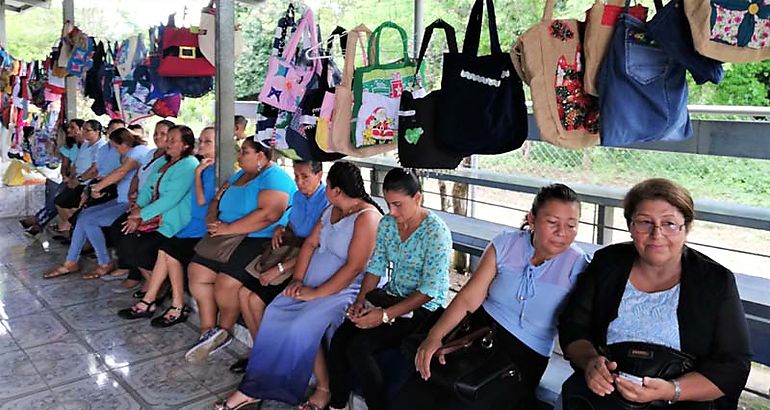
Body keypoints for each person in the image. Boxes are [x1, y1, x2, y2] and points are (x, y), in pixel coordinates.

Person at [557, 178, 752, 410]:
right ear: (630, 227)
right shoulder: (608, 263)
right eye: (644, 223)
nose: (656, 234)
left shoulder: (715, 281)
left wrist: (672, 390)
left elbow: (733, 366)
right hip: (607, 399)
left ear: (686, 228)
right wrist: (590, 362)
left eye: (669, 223)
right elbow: (574, 327)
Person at [395, 183, 590, 410]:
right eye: (552, 222)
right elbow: (469, 298)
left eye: (571, 226)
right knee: (415, 390)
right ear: (532, 220)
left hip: (524, 354)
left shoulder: (577, 265)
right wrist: (435, 336)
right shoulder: (507, 244)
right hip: (479, 333)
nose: (562, 233)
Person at [215, 161, 383, 410]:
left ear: (336, 190)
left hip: (344, 289)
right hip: (311, 281)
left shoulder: (367, 217)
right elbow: (309, 245)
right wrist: (297, 280)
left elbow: (355, 267)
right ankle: (253, 388)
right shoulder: (332, 210)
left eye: (327, 185)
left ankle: (323, 389)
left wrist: (315, 293)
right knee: (274, 312)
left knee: (300, 325)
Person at [326, 168, 452, 410]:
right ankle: (338, 403)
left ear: (418, 198)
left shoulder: (436, 232)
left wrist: (383, 316)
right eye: (388, 204)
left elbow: (429, 290)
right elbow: (376, 266)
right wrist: (361, 301)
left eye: (398, 205)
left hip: (423, 308)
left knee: (360, 349)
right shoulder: (387, 224)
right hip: (391, 298)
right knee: (341, 337)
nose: (392, 212)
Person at [185, 136, 296, 362]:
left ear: (261, 156)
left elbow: (269, 215)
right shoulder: (239, 175)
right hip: (225, 235)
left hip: (258, 239)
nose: (239, 155)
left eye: (244, 151)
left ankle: (224, 329)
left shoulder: (274, 177)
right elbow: (217, 198)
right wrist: (214, 219)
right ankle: (208, 329)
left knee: (226, 284)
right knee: (197, 272)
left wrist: (228, 228)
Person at [229, 159, 329, 374]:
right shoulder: (299, 197)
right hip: (289, 252)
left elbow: (316, 246)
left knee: (255, 299)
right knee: (243, 294)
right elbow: (292, 223)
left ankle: (268, 357)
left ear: (320, 176)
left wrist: (281, 269)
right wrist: (281, 228)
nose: (299, 182)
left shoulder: (327, 203)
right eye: (296, 177)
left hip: (306, 262)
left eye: (305, 177)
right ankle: (262, 354)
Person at [117, 126, 217, 327]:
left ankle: (168, 303)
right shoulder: (194, 165)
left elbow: (199, 200)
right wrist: (138, 210)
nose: (202, 144)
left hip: (197, 226)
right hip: (190, 224)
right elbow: (147, 189)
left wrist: (197, 173)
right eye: (202, 140)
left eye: (208, 142)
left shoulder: (205, 168)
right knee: (162, 250)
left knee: (166, 251)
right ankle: (156, 301)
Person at [42, 128, 151, 279]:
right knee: (84, 216)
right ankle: (71, 261)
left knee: (90, 220)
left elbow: (121, 172)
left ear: (125, 143)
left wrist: (98, 187)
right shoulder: (133, 152)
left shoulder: (138, 152)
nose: (116, 150)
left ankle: (103, 262)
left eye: (117, 147)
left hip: (131, 203)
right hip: (121, 199)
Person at [112, 125, 199, 291]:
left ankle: (156, 286)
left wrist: (141, 215)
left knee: (138, 245)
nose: (167, 143)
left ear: (185, 145)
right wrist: (136, 209)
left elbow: (170, 199)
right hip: (152, 214)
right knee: (119, 229)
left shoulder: (189, 164)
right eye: (168, 139)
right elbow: (146, 189)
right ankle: (153, 281)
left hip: (171, 219)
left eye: (173, 140)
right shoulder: (163, 161)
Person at [107, 119, 174, 289]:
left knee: (129, 233)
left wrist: (141, 213)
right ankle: (134, 271)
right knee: (118, 228)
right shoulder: (151, 154)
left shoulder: (171, 160)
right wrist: (132, 192)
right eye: (156, 133)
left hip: (154, 208)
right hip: (140, 203)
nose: (158, 137)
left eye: (163, 134)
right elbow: (139, 175)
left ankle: (142, 278)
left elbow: (162, 193)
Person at [20, 120, 84, 236]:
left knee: (57, 199)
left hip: (81, 181)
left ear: (81, 130)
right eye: (69, 127)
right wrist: (65, 176)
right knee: (57, 198)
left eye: (72, 127)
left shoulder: (88, 147)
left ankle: (38, 221)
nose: (68, 130)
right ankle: (38, 222)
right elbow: (65, 166)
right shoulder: (70, 147)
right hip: (70, 179)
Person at [53, 119, 106, 234]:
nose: (84, 132)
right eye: (83, 130)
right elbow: (76, 164)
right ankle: (73, 227)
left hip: (88, 183)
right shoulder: (85, 144)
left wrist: (78, 180)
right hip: (77, 180)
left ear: (97, 132)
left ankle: (76, 229)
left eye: (88, 130)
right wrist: (71, 178)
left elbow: (94, 170)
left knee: (77, 208)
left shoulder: (101, 147)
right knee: (59, 202)